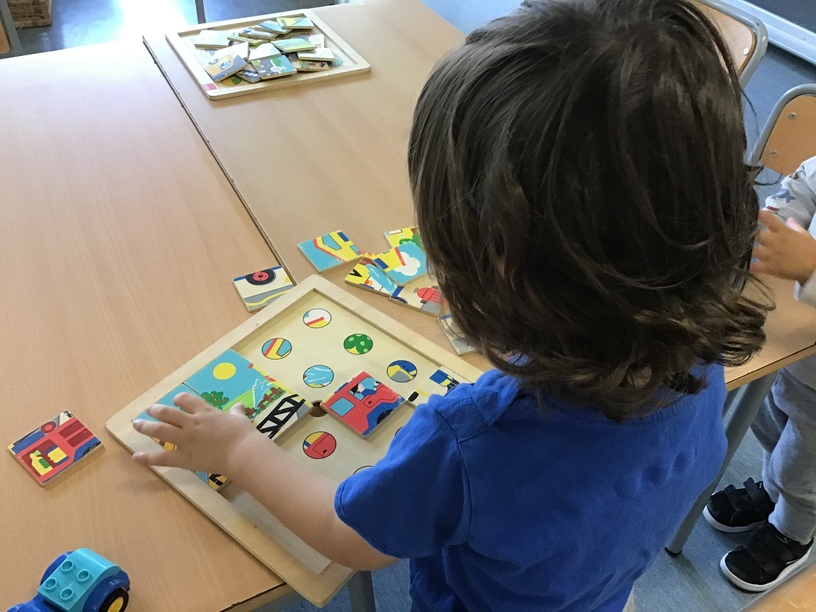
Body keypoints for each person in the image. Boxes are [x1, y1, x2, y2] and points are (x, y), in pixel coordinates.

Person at [132, 1, 770, 609]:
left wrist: (238, 450)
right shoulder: (698, 346)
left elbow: (348, 538)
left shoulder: (468, 442)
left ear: (500, 273)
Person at [705, 158, 816, 592]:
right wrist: (779, 222)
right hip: (798, 346)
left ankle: (792, 531)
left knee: (804, 465)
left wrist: (811, 268)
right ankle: (772, 490)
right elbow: (806, 185)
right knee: (770, 421)